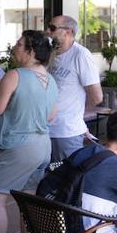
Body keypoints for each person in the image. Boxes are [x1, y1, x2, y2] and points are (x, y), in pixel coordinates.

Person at [0, 31, 58, 233]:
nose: (14, 47)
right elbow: (51, 116)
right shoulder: (51, 79)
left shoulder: (14, 75)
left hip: (16, 146)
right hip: (42, 145)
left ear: (31, 51)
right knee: (27, 200)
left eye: (18, 44)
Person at [46, 15, 102, 162]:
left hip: (66, 132)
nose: (47, 31)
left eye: (52, 28)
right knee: (48, 177)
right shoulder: (51, 54)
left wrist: (75, 116)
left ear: (68, 32)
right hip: (44, 130)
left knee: (63, 176)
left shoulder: (81, 55)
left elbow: (96, 97)